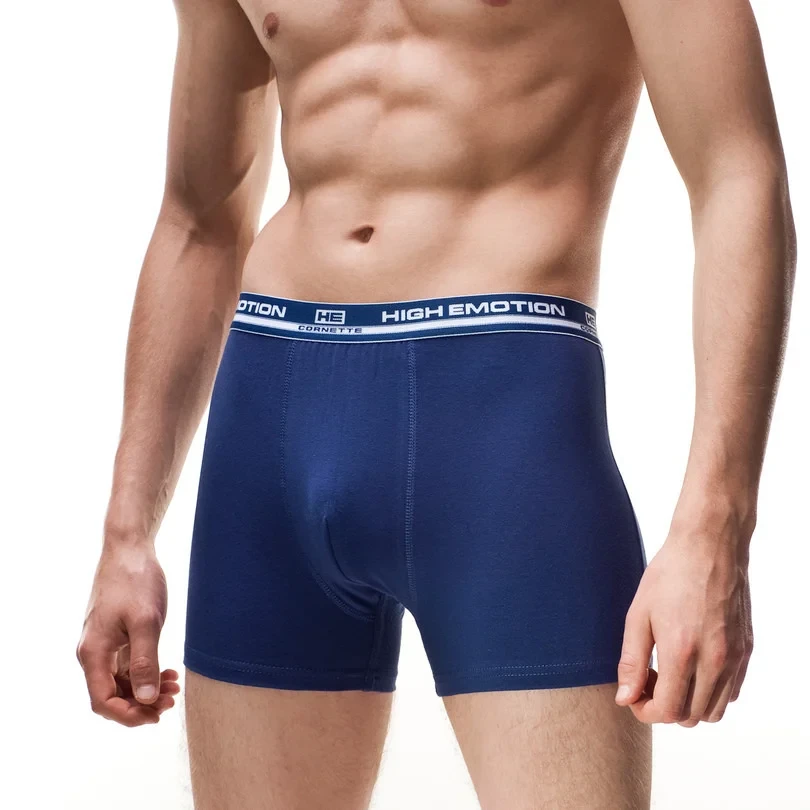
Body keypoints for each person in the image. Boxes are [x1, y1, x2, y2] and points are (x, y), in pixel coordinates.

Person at [76, 0, 796, 807]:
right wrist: (126, 531)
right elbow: (197, 218)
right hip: (270, 423)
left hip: (502, 424)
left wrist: (715, 527)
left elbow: (739, 172)